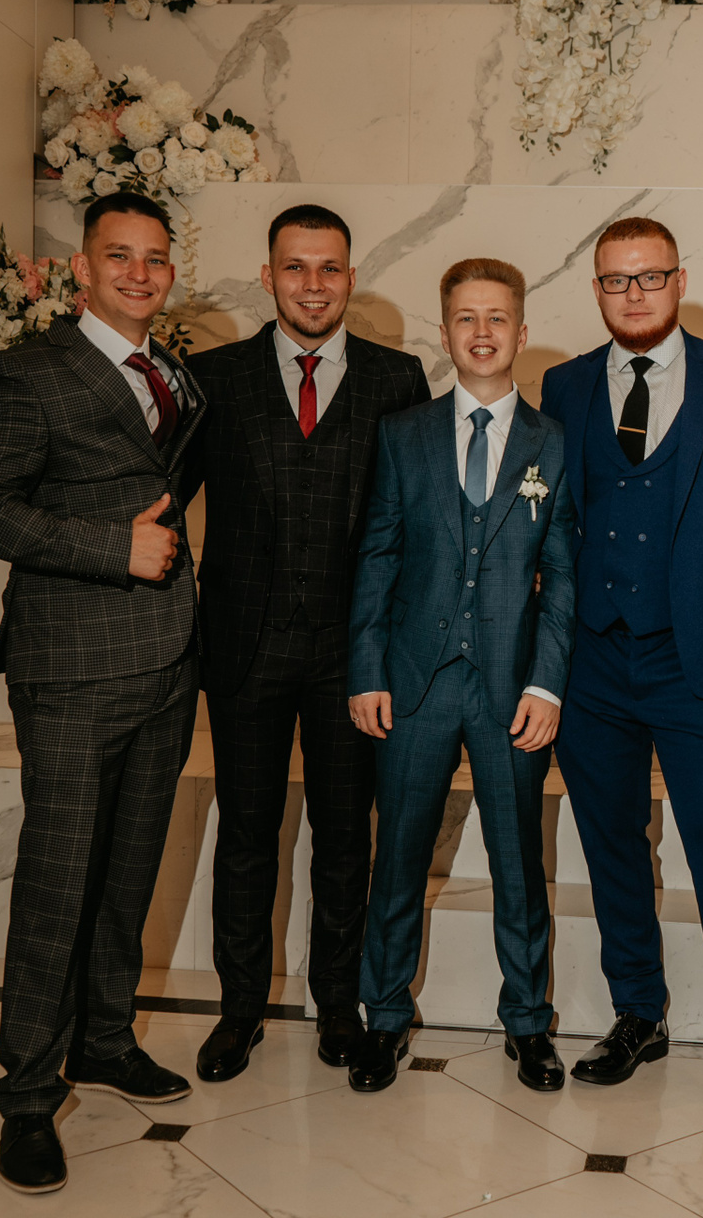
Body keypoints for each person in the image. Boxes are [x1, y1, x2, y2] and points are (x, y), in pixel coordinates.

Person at [0, 192, 206, 1194]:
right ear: (82, 270)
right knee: (59, 878)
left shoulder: (171, 371)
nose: (140, 273)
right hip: (71, 667)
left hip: (167, 659)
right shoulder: (28, 374)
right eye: (120, 256)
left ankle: (103, 1039)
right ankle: (26, 1092)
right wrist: (112, 548)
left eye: (155, 257)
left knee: (129, 868)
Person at [538, 217, 703, 1128]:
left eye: (649, 277)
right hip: (594, 659)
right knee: (612, 843)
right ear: (597, 290)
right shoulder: (566, 385)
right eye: (616, 280)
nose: (634, 294)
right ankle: (638, 1013)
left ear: (680, 280)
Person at [184, 205, 430, 1083]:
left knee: (344, 838)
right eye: (296, 268)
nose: (313, 285)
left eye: (329, 269)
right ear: (269, 277)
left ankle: (337, 1006)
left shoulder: (398, 379)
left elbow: (418, 524)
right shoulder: (213, 377)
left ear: (351, 278)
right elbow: (160, 502)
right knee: (246, 834)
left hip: (352, 658)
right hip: (243, 649)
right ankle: (240, 1010)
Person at [344, 258, 577, 1094]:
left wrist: (546, 685)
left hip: (512, 687)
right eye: (466, 319)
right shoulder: (402, 434)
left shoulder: (554, 443)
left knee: (519, 862)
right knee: (398, 859)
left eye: (497, 318)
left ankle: (529, 1022)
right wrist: (366, 669)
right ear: (444, 335)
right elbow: (377, 555)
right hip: (415, 682)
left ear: (521, 331)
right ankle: (383, 1019)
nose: (483, 333)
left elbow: (565, 575)